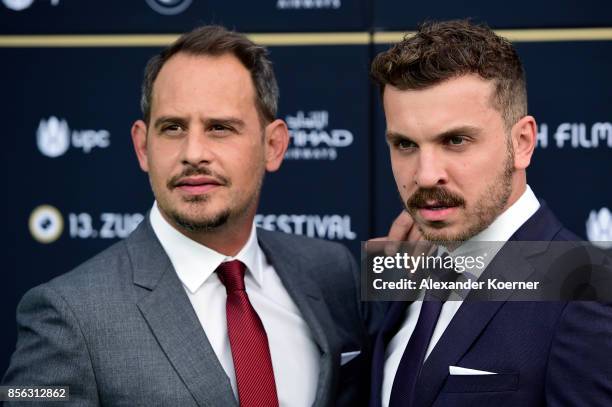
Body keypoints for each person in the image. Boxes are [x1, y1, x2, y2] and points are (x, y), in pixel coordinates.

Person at [3, 26, 379, 407]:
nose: (193, 152)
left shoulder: (333, 272)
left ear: (273, 145)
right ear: (142, 146)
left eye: (219, 128)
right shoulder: (65, 314)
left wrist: (429, 267)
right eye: (172, 128)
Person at [368, 20, 612, 406]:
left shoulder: (590, 292)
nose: (426, 175)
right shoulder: (400, 274)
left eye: (456, 140)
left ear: (523, 143)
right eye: (405, 144)